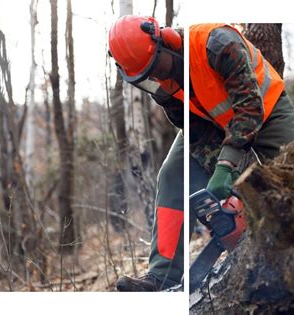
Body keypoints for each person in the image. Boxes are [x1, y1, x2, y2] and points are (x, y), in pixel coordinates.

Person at [188, 23, 294, 233]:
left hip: (269, 108)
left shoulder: (217, 42)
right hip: (225, 129)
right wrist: (222, 176)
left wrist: (225, 165)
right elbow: (197, 135)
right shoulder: (160, 81)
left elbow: (249, 106)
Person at [108, 15, 184, 291]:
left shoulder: (206, 47)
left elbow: (246, 104)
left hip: (259, 111)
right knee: (172, 174)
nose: (155, 77)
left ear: (166, 43)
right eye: (146, 75)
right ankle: (163, 275)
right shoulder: (154, 78)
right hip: (203, 122)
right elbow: (183, 120)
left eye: (156, 67)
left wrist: (226, 163)